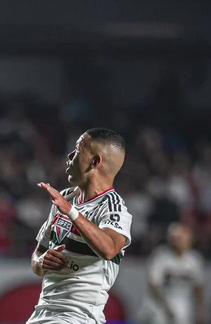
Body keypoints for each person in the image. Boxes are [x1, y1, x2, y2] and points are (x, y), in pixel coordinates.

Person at [27, 128, 132, 324]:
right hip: (42, 314)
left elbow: (109, 249)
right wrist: (41, 262)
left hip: (78, 317)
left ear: (95, 162)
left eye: (76, 150)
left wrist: (71, 212)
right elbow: (37, 255)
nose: (69, 156)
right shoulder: (66, 198)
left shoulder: (113, 207)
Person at [138, 223, 206, 324]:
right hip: (160, 303)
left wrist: (200, 309)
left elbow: (199, 286)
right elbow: (153, 286)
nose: (181, 242)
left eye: (184, 239)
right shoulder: (161, 256)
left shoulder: (194, 259)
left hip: (183, 302)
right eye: (178, 239)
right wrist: (166, 307)